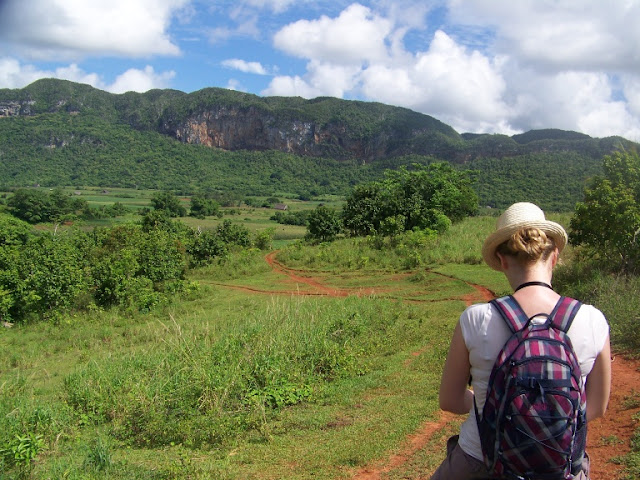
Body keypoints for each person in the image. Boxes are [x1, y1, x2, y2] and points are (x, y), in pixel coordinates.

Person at [430, 202, 611, 480]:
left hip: (481, 459)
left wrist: (488, 401)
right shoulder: (592, 319)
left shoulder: (476, 318)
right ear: (554, 257)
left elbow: (450, 400)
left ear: (502, 261)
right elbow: (596, 407)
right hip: (561, 467)